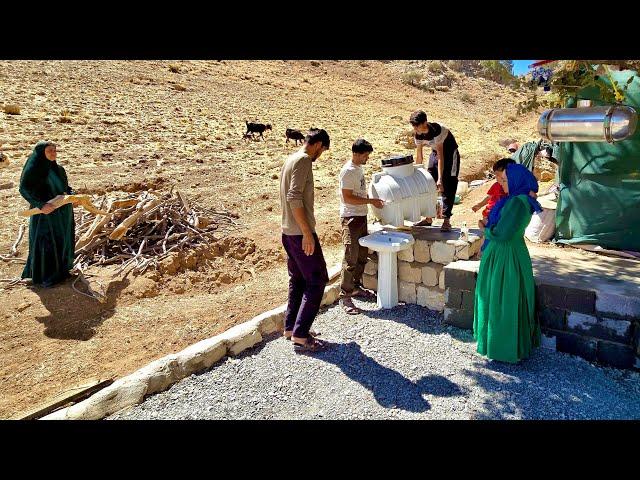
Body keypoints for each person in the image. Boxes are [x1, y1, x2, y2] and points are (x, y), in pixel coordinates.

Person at [473, 162, 543, 364]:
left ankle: (502, 347)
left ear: (516, 180)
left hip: (505, 256)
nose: (501, 184)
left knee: (502, 299)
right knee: (505, 298)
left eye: (505, 180)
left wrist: (484, 229)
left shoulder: (517, 203)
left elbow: (502, 234)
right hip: (512, 253)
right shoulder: (520, 200)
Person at [279, 128, 331, 352]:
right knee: (318, 279)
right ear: (318, 144)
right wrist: (307, 233)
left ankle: (291, 328)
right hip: (300, 233)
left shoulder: (290, 158)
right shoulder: (303, 160)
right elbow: (294, 197)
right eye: (323, 150)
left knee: (298, 279)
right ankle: (300, 336)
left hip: (288, 231)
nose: (321, 155)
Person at [19, 141, 76, 287]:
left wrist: (71, 193)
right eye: (50, 150)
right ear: (41, 152)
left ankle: (62, 272)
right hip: (44, 213)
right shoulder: (33, 170)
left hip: (63, 212)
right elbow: (24, 189)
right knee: (46, 242)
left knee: (62, 240)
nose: (53, 153)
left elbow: (65, 187)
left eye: (55, 150)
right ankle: (46, 277)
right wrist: (41, 205)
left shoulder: (59, 169)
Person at [338, 139, 384, 315]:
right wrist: (370, 201)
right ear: (356, 153)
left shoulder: (358, 169)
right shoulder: (348, 171)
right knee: (351, 257)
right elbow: (347, 198)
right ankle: (345, 296)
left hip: (360, 216)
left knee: (361, 256)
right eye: (365, 155)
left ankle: (355, 287)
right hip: (350, 218)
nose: (367, 158)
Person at [409, 110, 460, 232]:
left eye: (418, 126)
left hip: (449, 154)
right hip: (435, 153)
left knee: (448, 184)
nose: (416, 129)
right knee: (428, 182)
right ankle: (428, 218)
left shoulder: (437, 130)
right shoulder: (418, 134)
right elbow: (419, 156)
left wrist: (440, 179)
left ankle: (446, 220)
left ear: (425, 122)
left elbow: (442, 156)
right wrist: (418, 175)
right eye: (414, 127)